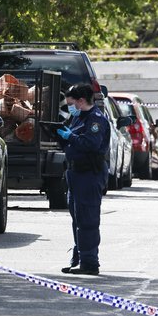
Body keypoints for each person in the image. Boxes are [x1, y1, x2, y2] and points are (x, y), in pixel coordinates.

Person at [56, 83, 110, 275]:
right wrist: (61, 135)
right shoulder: (78, 117)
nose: (70, 107)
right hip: (75, 174)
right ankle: (79, 258)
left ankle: (89, 263)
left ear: (81, 101)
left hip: (89, 174)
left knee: (87, 219)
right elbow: (73, 144)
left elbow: (90, 144)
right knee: (77, 218)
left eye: (71, 103)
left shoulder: (95, 119)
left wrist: (70, 137)